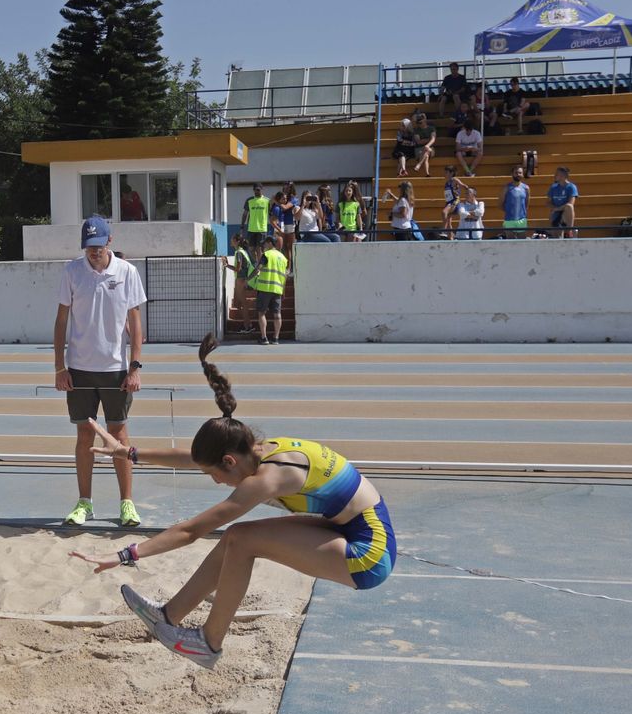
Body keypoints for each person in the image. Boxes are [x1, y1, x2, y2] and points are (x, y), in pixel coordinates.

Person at [70, 334, 398, 669]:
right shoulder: (259, 449)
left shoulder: (268, 479)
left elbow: (192, 531)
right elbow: (191, 458)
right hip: (348, 526)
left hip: (369, 554)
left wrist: (125, 555)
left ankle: (209, 642)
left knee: (242, 539)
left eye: (216, 474)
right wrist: (130, 452)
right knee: (233, 538)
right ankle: (168, 616)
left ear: (229, 461)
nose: (215, 481)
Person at [54, 215, 147, 528]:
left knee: (119, 435)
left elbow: (135, 325)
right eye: (87, 247)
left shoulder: (127, 272)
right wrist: (59, 367)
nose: (93, 252)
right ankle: (84, 503)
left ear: (110, 241)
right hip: (79, 369)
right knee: (84, 436)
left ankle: (127, 504)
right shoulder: (72, 271)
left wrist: (134, 367)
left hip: (115, 369)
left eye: (98, 245)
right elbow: (61, 322)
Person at [250, 236, 288, 345]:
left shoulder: (267, 255)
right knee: (277, 314)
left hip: (265, 289)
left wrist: (249, 279)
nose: (263, 246)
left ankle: (264, 338)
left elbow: (258, 268)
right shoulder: (283, 258)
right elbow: (284, 276)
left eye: (265, 244)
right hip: (277, 290)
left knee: (261, 313)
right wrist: (283, 290)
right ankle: (276, 338)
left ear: (270, 243)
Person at [222, 234, 259, 334]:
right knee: (240, 304)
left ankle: (248, 326)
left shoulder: (238, 252)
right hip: (242, 279)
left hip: (240, 280)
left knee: (243, 304)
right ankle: (247, 325)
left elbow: (238, 269)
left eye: (232, 239)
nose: (231, 241)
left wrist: (226, 265)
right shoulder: (243, 252)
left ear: (237, 241)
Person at [240, 183, 272, 252]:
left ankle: (260, 263)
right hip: (251, 229)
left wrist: (274, 227)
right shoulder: (249, 200)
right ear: (253, 190)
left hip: (262, 229)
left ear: (262, 190)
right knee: (251, 249)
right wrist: (242, 226)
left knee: (260, 249)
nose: (257, 191)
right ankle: (258, 262)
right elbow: (245, 214)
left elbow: (270, 215)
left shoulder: (267, 201)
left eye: (258, 190)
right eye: (255, 190)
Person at [548, 167, 578, 238]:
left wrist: (557, 209)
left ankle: (569, 230)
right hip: (556, 214)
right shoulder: (553, 187)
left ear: (563, 176)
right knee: (557, 237)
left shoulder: (571, 187)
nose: (554, 175)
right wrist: (553, 208)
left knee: (569, 207)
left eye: (557, 174)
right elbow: (548, 202)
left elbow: (571, 203)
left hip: (565, 214)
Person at [501, 166, 530, 238]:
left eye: (520, 173)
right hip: (509, 219)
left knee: (522, 242)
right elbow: (500, 203)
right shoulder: (507, 187)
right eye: (516, 173)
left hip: (521, 219)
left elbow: (527, 203)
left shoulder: (526, 188)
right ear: (512, 174)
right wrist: (509, 211)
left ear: (522, 174)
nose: (518, 174)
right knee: (510, 242)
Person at [440, 165, 469, 238]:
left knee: (444, 212)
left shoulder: (454, 179)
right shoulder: (447, 183)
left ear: (451, 173)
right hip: (449, 202)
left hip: (454, 201)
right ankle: (451, 236)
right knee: (449, 220)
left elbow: (461, 184)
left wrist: (466, 187)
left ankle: (444, 231)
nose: (445, 174)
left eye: (446, 172)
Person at [410, 112, 436, 178]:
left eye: (420, 122)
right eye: (418, 123)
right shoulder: (416, 130)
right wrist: (428, 140)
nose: (419, 124)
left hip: (429, 148)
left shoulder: (431, 128)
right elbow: (418, 142)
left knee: (426, 149)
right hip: (420, 149)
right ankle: (427, 173)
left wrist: (427, 145)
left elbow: (433, 139)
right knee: (426, 155)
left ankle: (419, 164)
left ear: (425, 120)